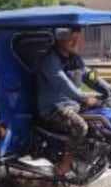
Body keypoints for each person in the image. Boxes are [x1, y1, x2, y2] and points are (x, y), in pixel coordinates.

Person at [35, 28, 102, 176]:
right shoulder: (50, 60)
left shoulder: (75, 59)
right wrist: (84, 98)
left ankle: (87, 159)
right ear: (60, 38)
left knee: (102, 120)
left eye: (78, 38)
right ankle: (64, 165)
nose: (77, 43)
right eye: (72, 39)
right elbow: (62, 83)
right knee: (80, 127)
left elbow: (90, 76)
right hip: (54, 109)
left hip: (73, 106)